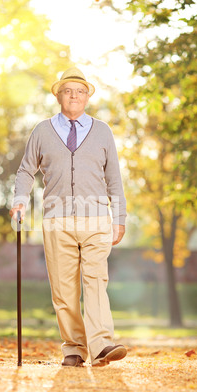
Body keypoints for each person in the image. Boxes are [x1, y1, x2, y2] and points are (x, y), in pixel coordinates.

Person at [9, 67, 127, 367]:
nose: (74, 95)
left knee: (95, 281)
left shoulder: (102, 131)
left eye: (80, 91)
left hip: (97, 218)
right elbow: (26, 170)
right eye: (68, 90)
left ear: (87, 96)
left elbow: (114, 177)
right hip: (57, 220)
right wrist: (20, 200)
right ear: (59, 95)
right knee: (64, 289)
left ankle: (101, 343)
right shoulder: (42, 130)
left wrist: (119, 216)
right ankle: (74, 347)